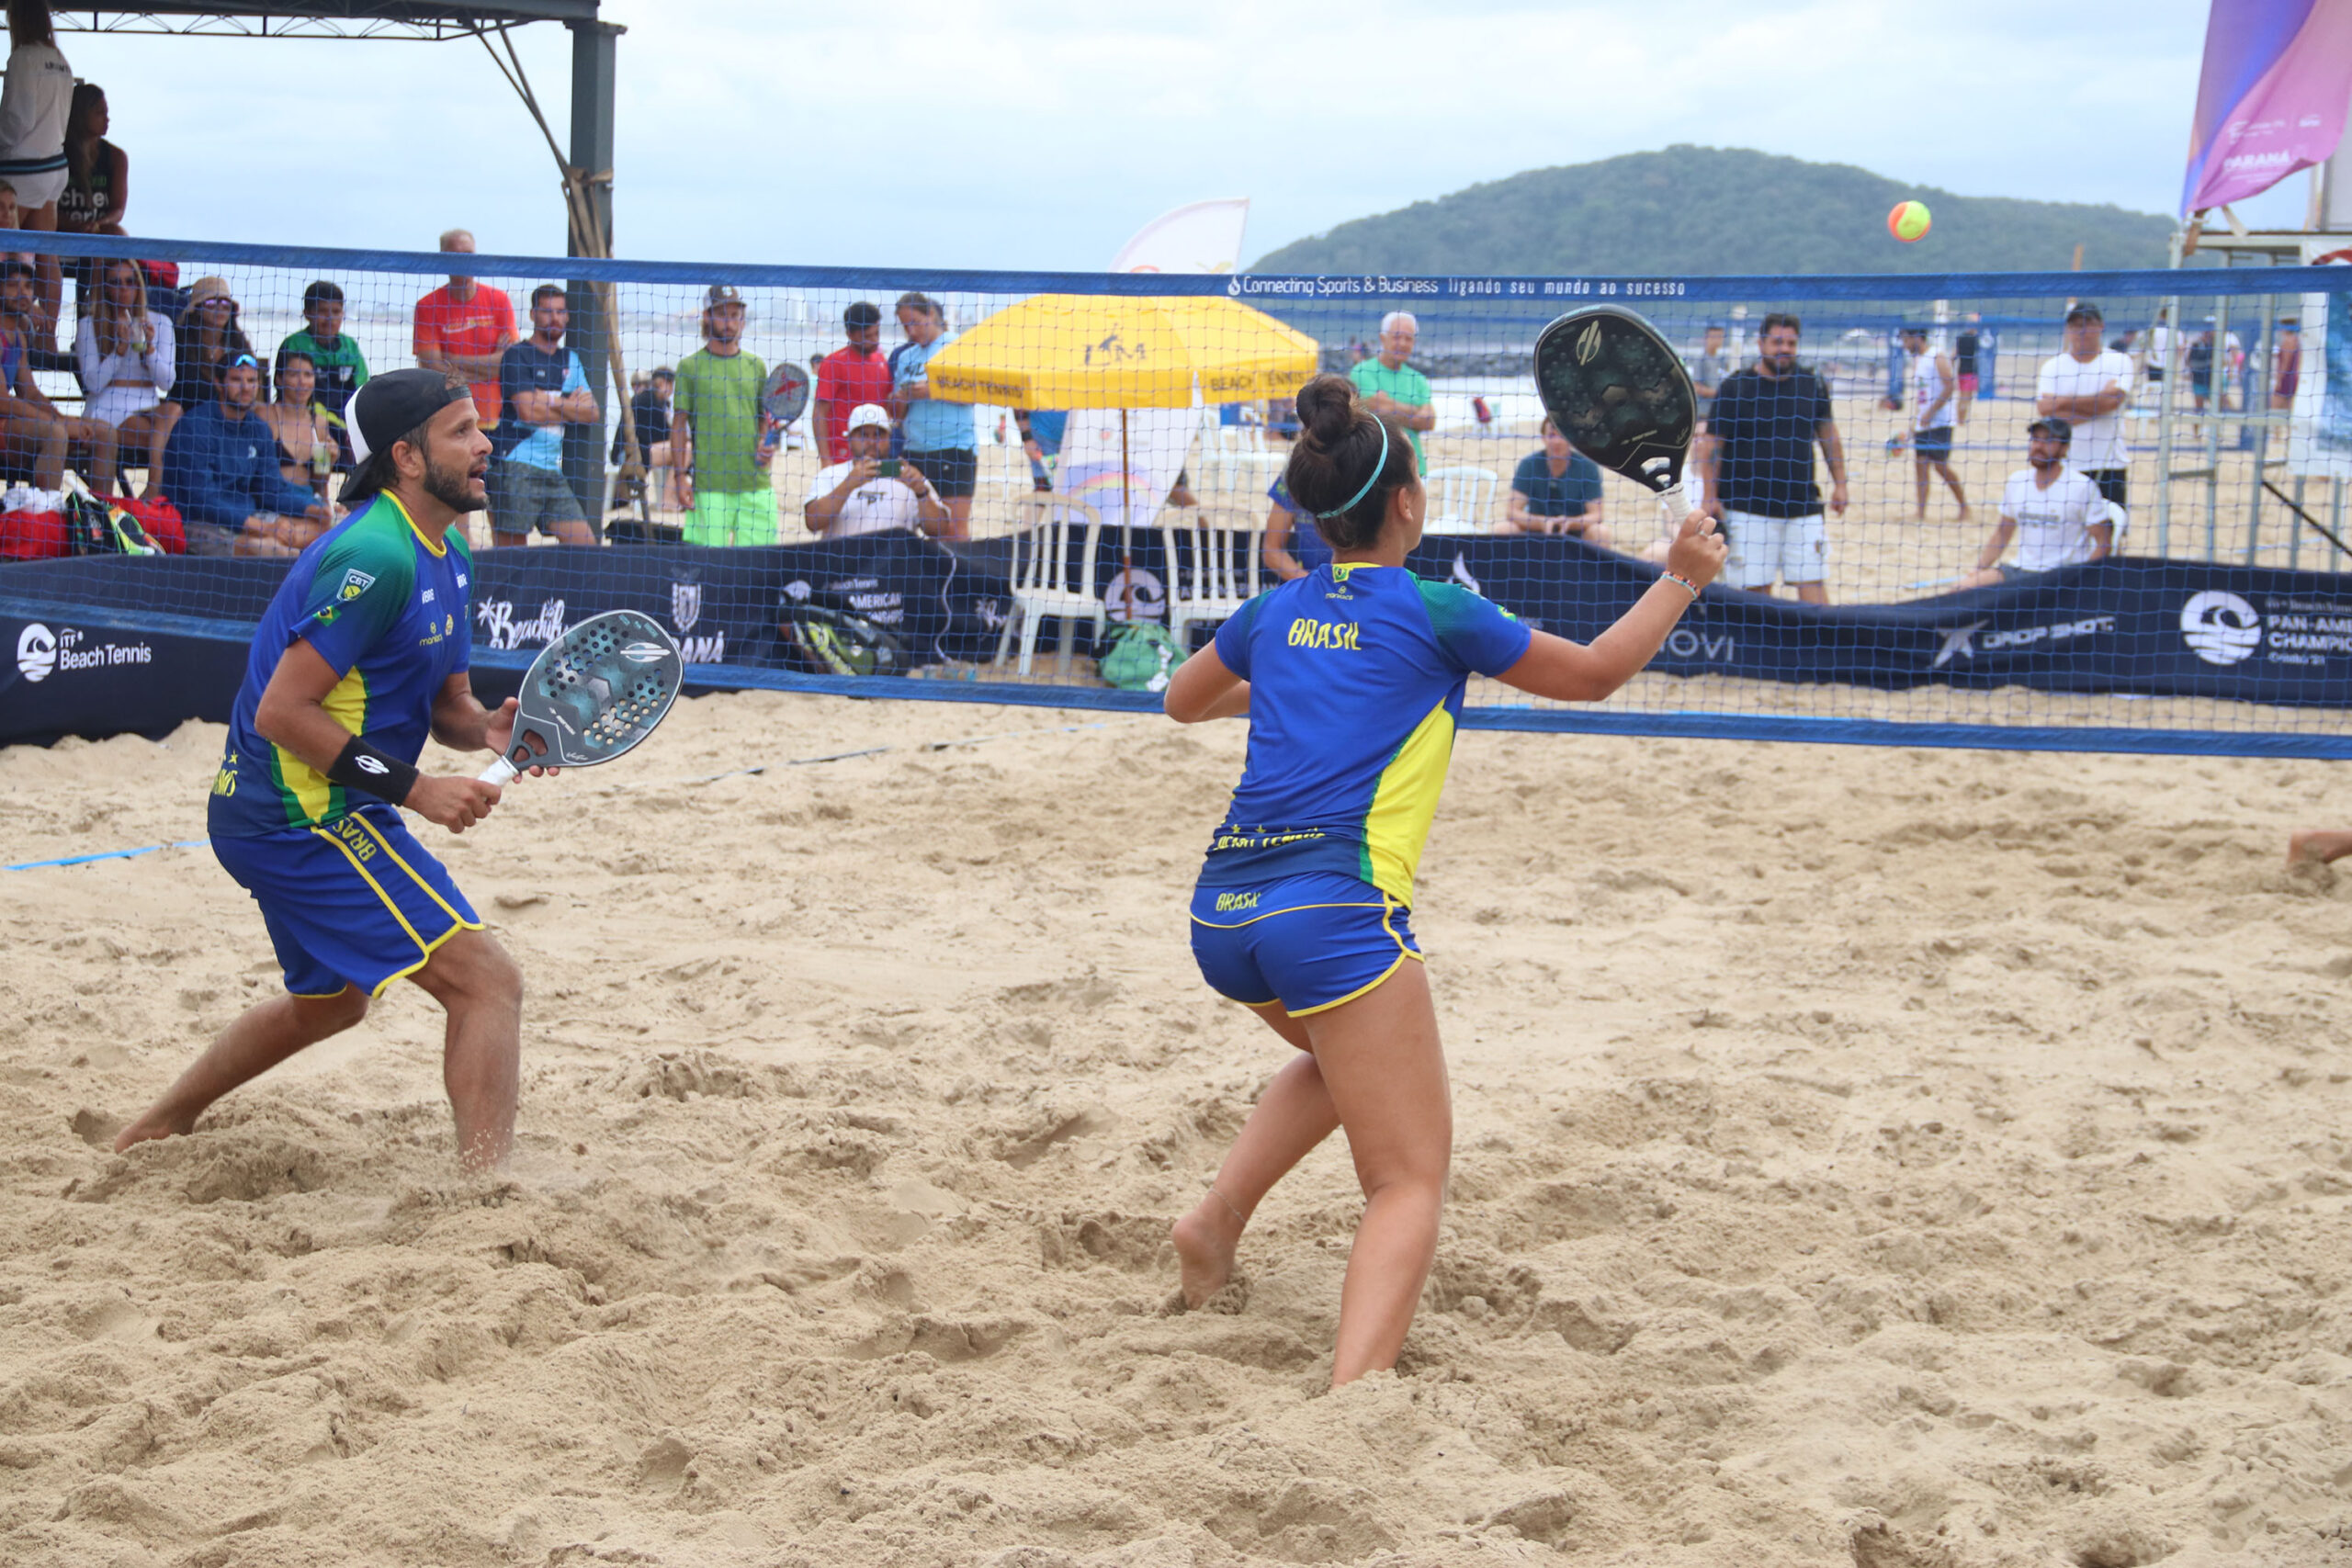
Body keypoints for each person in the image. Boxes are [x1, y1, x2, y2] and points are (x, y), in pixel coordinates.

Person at [1160, 372, 1725, 1386]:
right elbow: (1595, 675)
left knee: (1344, 1067)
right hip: (1331, 910)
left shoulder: (1273, 609)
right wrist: (1680, 575)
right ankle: (1352, 1400)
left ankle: (1212, 1224)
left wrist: (1315, 690)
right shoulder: (1438, 610)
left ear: (1316, 512)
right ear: (1410, 503)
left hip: (1221, 916)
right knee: (1407, 1176)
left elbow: (1181, 702)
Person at [116, 369, 535, 1174]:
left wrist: (484, 726)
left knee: (330, 1002)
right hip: (295, 813)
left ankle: (154, 1129)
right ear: (407, 458)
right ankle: (488, 1197)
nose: (485, 444)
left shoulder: (447, 550)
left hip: (314, 802)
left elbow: (443, 700)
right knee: (487, 982)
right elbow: (283, 712)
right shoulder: (375, 553)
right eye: (463, 431)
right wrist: (418, 789)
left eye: (480, 427)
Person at [1696, 312, 1848, 604]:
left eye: (1791, 342)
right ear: (1761, 343)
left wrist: (1841, 483)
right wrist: (1709, 497)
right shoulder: (1735, 387)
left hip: (1803, 505)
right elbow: (1712, 446)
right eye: (1777, 342)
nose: (1785, 349)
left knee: (1814, 593)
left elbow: (1829, 436)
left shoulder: (1812, 383)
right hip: (1747, 507)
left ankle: (1821, 650)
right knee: (1755, 596)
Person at [158, 352, 329, 556]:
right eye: (236, 380)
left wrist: (316, 510)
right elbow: (202, 499)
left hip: (250, 517)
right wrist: (262, 528)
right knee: (277, 552)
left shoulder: (258, 429)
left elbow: (271, 489)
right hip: (196, 522)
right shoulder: (195, 427)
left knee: (330, 529)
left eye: (251, 380)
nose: (246, 387)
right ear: (219, 384)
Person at [487, 283, 597, 548]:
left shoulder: (570, 358)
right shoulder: (517, 355)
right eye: (547, 311)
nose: (555, 318)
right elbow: (527, 411)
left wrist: (545, 399)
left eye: (561, 311)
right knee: (511, 555)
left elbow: (591, 412)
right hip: (514, 463)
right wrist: (568, 405)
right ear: (533, 314)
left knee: (587, 545)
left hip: (551, 469)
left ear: (568, 315)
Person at [1949, 418, 2110, 590]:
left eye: (2048, 440)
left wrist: (2081, 578)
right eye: (2035, 439)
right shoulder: (2017, 481)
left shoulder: (2081, 486)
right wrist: (1978, 569)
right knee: (1959, 591)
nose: (2039, 446)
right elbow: (2002, 534)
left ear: (2065, 448)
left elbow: (2104, 542)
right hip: (2020, 570)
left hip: (2060, 575)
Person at [673, 284, 774, 547]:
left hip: (755, 483)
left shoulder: (757, 365)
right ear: (707, 317)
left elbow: (763, 419)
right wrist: (680, 477)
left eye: (734, 315)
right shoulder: (689, 367)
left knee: (760, 569)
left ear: (742, 319)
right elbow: (679, 426)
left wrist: (765, 443)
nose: (729, 322)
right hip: (709, 486)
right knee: (707, 570)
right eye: (722, 314)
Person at [0, 1, 67, 348]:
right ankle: (48, 335)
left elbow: (17, 118)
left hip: (21, 165)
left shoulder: (22, 57)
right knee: (47, 253)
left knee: (7, 249)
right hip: (55, 164)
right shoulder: (60, 59)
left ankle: (7, 329)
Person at [888, 291, 975, 540]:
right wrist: (900, 400)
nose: (911, 331)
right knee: (912, 526)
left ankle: (959, 579)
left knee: (953, 530)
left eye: (915, 322)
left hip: (953, 448)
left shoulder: (957, 345)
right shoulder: (906, 357)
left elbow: (974, 396)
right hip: (914, 449)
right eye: (905, 325)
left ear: (932, 315)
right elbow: (897, 414)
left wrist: (930, 390)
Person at [2034, 302, 2135, 515]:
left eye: (2088, 325)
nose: (2082, 331)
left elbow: (2112, 402)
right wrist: (2099, 403)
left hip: (2109, 463)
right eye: (2076, 325)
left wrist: (2061, 402)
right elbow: (2045, 411)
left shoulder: (2119, 360)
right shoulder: (2053, 366)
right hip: (2066, 463)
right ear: (2068, 329)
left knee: (2111, 534)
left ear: (2101, 326)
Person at [413, 229, 515, 434]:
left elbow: (508, 362)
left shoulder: (499, 300)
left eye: (468, 255)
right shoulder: (427, 306)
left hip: (494, 418)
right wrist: (484, 370)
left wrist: (451, 360)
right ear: (443, 259)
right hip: (450, 417)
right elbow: (432, 368)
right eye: (456, 256)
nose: (464, 262)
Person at [72, 254, 172, 464]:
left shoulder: (161, 322)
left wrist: (149, 349)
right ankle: (154, 489)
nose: (124, 288)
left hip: (148, 409)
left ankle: (154, 487)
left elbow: (167, 382)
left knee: (174, 411)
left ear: (138, 284)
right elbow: (93, 383)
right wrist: (120, 350)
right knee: (169, 439)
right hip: (107, 410)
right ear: (106, 287)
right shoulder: (90, 324)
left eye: (130, 281)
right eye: (116, 282)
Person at [803, 402, 950, 538]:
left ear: (889, 439)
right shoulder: (831, 475)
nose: (871, 442)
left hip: (892, 564)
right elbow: (812, 522)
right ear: (849, 439)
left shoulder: (907, 476)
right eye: (863, 435)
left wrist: (921, 493)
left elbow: (940, 530)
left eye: (878, 435)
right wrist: (848, 485)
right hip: (845, 565)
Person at [1892, 325, 1968, 521]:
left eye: (1906, 340)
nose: (1904, 344)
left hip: (1941, 422)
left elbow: (1951, 386)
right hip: (1924, 424)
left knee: (1940, 466)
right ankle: (1921, 512)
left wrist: (1931, 412)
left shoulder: (1937, 356)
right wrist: (1914, 424)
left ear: (1917, 337)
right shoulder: (1919, 361)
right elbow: (1922, 397)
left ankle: (1964, 506)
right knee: (1920, 465)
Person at [1347, 310, 1434, 474]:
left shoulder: (1418, 379)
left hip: (1413, 468)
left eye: (1408, 338)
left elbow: (1429, 421)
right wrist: (1415, 411)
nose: (1402, 343)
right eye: (1396, 336)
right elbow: (1379, 409)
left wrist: (1389, 405)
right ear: (1382, 338)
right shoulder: (1362, 371)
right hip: (1374, 468)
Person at [1502, 415, 1611, 543]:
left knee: (1601, 532)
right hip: (1536, 533)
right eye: (1552, 435)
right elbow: (1512, 512)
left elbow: (1597, 515)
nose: (1557, 441)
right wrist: (1541, 522)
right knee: (1503, 529)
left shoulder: (1587, 467)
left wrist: (1571, 522)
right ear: (1543, 438)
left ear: (1571, 439)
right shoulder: (1529, 464)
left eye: (1562, 435)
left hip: (1576, 535)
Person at [813, 300, 891, 465]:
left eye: (877, 333)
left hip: (877, 454)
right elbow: (820, 413)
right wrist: (826, 460)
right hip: (843, 455)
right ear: (850, 334)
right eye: (867, 336)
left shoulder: (882, 362)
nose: (874, 340)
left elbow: (888, 409)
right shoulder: (834, 363)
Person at [280, 280, 368, 420]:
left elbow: (362, 391)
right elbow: (282, 391)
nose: (330, 319)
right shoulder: (294, 345)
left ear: (342, 313)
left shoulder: (350, 347)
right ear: (307, 313)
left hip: (346, 422)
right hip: (304, 420)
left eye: (336, 312)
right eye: (322, 311)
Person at [257, 349, 338, 501]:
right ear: (280, 379)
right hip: (270, 500)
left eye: (308, 375)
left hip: (306, 503)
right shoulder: (265, 415)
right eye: (294, 375)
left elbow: (319, 485)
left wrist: (330, 461)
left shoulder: (319, 423)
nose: (302, 381)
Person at [56, 81, 124, 241]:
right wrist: (74, 226)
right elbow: (46, 206)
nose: (107, 119)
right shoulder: (57, 153)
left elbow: (118, 209)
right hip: (61, 236)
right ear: (81, 114)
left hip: (99, 236)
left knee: (118, 233)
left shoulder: (116, 157)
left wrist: (97, 224)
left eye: (106, 113)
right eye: (100, 113)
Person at [1258, 471, 1326, 581]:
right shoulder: (1294, 472)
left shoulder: (1359, 470)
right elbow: (1271, 550)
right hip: (1310, 584)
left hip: (1357, 585)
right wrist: (1313, 584)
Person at [1690, 325, 1732, 429]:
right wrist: (1719, 393)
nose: (1717, 340)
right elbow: (1697, 387)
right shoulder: (1700, 360)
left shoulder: (1722, 361)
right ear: (1706, 338)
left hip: (1720, 413)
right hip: (1704, 414)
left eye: (1720, 337)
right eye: (1713, 337)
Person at [2272, 319, 2301, 412]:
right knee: (2287, 411)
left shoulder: (2287, 341)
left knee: (2274, 409)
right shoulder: (2297, 341)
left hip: (2285, 379)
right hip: (2293, 379)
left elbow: (2285, 363)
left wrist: (2279, 380)